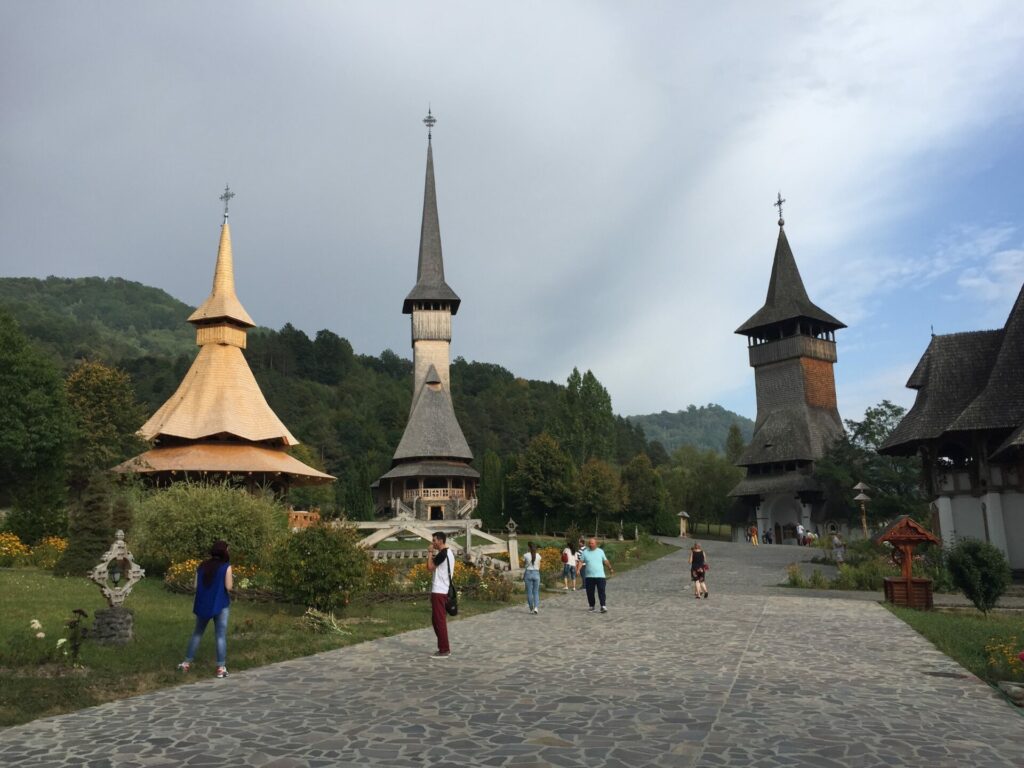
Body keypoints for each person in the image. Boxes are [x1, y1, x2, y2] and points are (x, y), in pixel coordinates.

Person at [177, 540, 233, 678]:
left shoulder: (202, 566)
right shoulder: (226, 567)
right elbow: (229, 587)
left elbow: (196, 585)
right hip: (220, 604)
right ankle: (220, 667)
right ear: (224, 552)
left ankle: (186, 663)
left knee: (197, 633)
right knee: (220, 636)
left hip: (203, 604)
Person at [426, 531, 455, 658]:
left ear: (441, 541)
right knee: (436, 620)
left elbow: (430, 567)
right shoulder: (449, 553)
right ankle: (443, 645)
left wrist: (430, 553)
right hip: (443, 589)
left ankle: (444, 649)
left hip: (439, 590)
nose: (433, 543)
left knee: (439, 621)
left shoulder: (442, 554)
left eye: (434, 540)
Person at [577, 537, 614, 613]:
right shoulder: (585, 552)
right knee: (590, 592)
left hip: (600, 576)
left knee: (601, 591)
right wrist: (578, 569)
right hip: (589, 576)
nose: (591, 545)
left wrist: (610, 568)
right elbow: (581, 561)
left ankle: (603, 606)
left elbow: (605, 561)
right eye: (589, 543)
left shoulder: (600, 551)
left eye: (592, 543)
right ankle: (591, 606)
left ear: (596, 544)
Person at [523, 541, 541, 614]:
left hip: (528, 573)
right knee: (536, 592)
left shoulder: (526, 555)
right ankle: (536, 608)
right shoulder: (538, 556)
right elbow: (539, 566)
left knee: (529, 591)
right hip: (536, 573)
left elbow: (524, 564)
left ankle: (531, 606)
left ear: (529, 547)